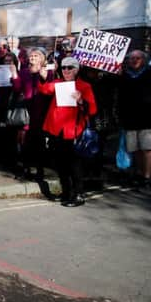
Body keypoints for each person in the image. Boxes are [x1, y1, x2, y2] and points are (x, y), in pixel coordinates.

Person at [38, 57, 97, 207]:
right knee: (60, 164)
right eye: (63, 68)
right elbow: (45, 89)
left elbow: (93, 109)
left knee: (74, 164)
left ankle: (78, 194)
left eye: (70, 68)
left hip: (73, 130)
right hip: (56, 129)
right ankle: (66, 191)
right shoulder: (58, 83)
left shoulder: (84, 86)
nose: (66, 71)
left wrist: (81, 100)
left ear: (76, 70)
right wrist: (43, 77)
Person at [117, 50, 151, 186]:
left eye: (138, 58)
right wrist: (117, 76)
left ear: (143, 60)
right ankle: (139, 173)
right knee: (135, 149)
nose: (135, 60)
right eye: (132, 58)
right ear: (128, 61)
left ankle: (146, 177)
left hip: (149, 119)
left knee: (147, 149)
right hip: (130, 119)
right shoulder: (123, 75)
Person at [12, 47, 54, 180]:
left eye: (36, 55)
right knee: (26, 141)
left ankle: (40, 170)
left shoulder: (48, 72)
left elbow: (51, 90)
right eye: (31, 55)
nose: (33, 57)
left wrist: (44, 77)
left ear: (42, 59)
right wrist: (14, 74)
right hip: (26, 111)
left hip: (41, 111)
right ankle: (26, 168)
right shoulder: (24, 72)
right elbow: (17, 88)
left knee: (40, 142)